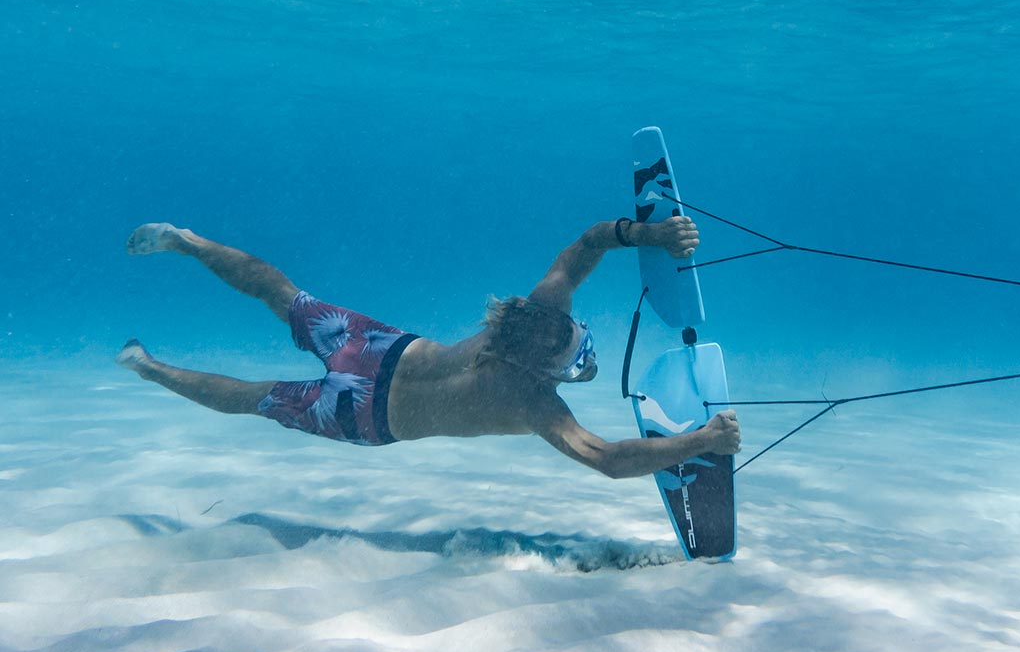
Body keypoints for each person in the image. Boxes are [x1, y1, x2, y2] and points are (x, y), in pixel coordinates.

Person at [115, 217, 740, 477]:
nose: (584, 362)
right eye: (573, 360)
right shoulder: (534, 402)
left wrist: (650, 234)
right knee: (254, 398)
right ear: (533, 366)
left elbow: (586, 245)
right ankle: (149, 368)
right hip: (365, 414)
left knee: (282, 293)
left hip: (378, 348)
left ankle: (189, 242)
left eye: (579, 346)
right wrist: (702, 441)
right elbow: (606, 459)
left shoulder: (538, 310)